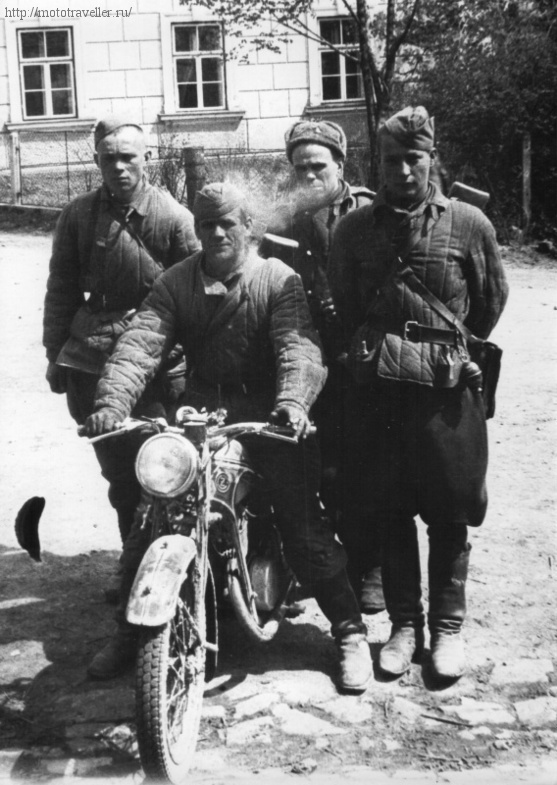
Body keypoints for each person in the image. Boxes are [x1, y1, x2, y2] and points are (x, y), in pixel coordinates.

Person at [82, 182, 373, 694]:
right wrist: (111, 405)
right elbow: (140, 344)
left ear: (248, 227)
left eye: (227, 223)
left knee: (302, 524)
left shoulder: (277, 279)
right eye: (206, 224)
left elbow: (298, 347)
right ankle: (132, 630)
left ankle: (349, 631)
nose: (216, 233)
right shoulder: (176, 281)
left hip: (269, 421)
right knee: (153, 514)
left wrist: (292, 403)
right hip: (202, 417)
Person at [328, 106, 509, 680]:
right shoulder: (353, 230)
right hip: (379, 392)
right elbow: (347, 304)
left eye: (414, 158)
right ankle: (404, 626)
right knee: (389, 509)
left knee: (450, 509)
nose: (403, 171)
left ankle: (447, 628)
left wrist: (448, 348)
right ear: (376, 164)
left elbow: (489, 301)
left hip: (445, 393)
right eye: (391, 160)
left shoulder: (468, 224)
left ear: (432, 158)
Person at [43, 114, 200, 554]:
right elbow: (61, 290)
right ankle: (134, 563)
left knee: (168, 468)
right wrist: (55, 355)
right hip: (93, 359)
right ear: (97, 161)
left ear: (146, 157)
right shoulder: (78, 215)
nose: (118, 167)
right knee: (120, 476)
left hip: (159, 361)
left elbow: (198, 297)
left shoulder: (174, 218)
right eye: (108, 159)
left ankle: (176, 563)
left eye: (128, 157)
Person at [259, 120, 384, 615]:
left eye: (318, 166)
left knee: (365, 467)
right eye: (299, 168)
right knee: (313, 467)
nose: (308, 176)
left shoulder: (369, 212)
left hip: (363, 361)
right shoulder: (282, 220)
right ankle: (316, 563)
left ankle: (370, 567)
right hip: (307, 357)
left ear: (341, 165)